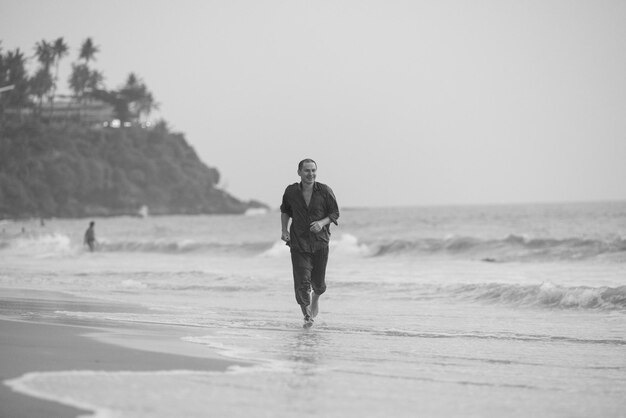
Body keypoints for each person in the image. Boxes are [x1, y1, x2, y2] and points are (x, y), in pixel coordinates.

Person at [280, 158, 339, 328]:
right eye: (307, 170)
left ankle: (316, 297)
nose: (310, 174)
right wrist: (284, 230)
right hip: (298, 242)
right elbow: (285, 211)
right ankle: (307, 315)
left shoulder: (325, 191)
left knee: (318, 284)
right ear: (299, 172)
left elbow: (334, 213)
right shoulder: (291, 191)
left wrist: (321, 223)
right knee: (302, 281)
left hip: (320, 243)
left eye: (313, 170)